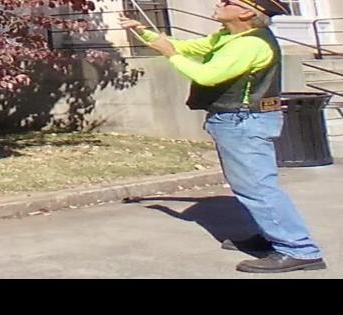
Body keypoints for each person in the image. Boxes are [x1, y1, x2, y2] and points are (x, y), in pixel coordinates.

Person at [123, 1, 326, 273]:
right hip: (238, 120)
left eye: (229, 1)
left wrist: (170, 54)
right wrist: (144, 32)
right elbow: (190, 47)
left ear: (246, 13)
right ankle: (273, 235)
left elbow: (208, 75)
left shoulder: (250, 44)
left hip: (244, 121)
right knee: (252, 185)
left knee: (257, 188)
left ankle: (298, 249)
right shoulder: (228, 37)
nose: (219, 3)